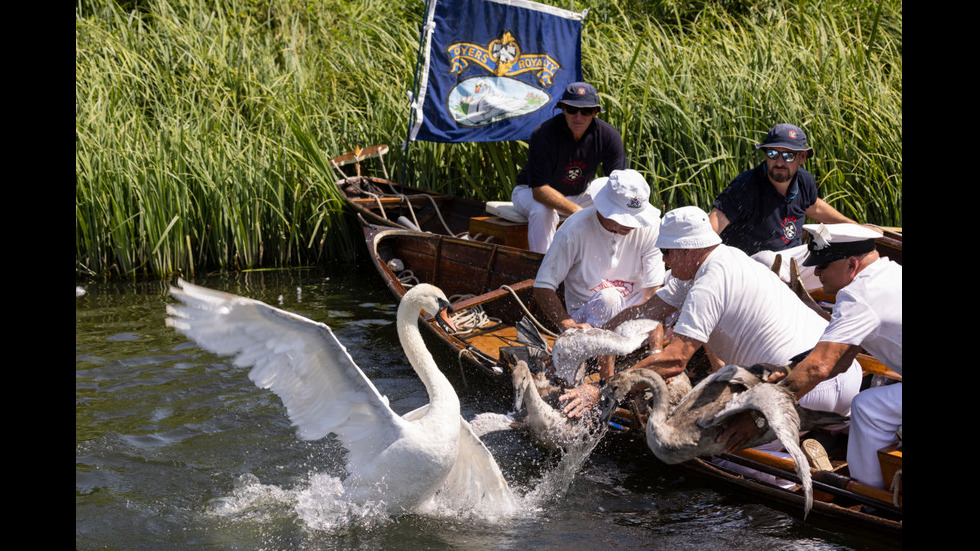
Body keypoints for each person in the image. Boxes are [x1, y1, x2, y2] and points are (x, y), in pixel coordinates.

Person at [559, 206, 863, 422]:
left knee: (712, 449)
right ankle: (826, 431)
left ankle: (774, 468)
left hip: (803, 386)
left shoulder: (708, 283)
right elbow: (643, 312)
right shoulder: (726, 258)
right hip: (847, 377)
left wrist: (601, 391)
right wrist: (585, 342)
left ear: (688, 252)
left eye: (666, 252)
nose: (663, 262)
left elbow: (675, 361)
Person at [728, 222, 901, 489]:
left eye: (823, 265)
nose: (817, 273)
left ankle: (872, 499)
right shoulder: (890, 273)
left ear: (852, 265)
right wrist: (788, 370)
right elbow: (842, 359)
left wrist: (758, 418)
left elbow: (819, 367)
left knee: (868, 407)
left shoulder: (858, 296)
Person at [534, 169, 665, 381]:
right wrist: (568, 326)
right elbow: (543, 287)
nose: (631, 225)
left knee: (682, 287)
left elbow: (653, 295)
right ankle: (607, 380)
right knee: (609, 298)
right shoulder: (574, 229)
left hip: (634, 317)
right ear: (604, 209)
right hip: (588, 319)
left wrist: (656, 354)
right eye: (624, 219)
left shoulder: (650, 229)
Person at [708, 123, 858, 288]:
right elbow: (714, 224)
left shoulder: (804, 181)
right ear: (765, 155)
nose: (779, 162)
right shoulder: (745, 186)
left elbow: (814, 206)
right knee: (768, 259)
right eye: (773, 154)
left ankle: (844, 302)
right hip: (750, 270)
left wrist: (856, 227)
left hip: (792, 263)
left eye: (788, 156)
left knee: (845, 251)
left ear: (801, 158)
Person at [511, 82, 627, 253]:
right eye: (572, 109)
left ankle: (611, 262)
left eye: (586, 111)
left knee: (617, 205)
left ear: (595, 112)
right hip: (529, 191)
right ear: (563, 109)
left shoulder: (609, 136)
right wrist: (579, 213)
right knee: (543, 211)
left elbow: (619, 185)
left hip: (580, 194)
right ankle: (542, 266)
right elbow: (540, 190)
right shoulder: (543, 134)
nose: (578, 117)